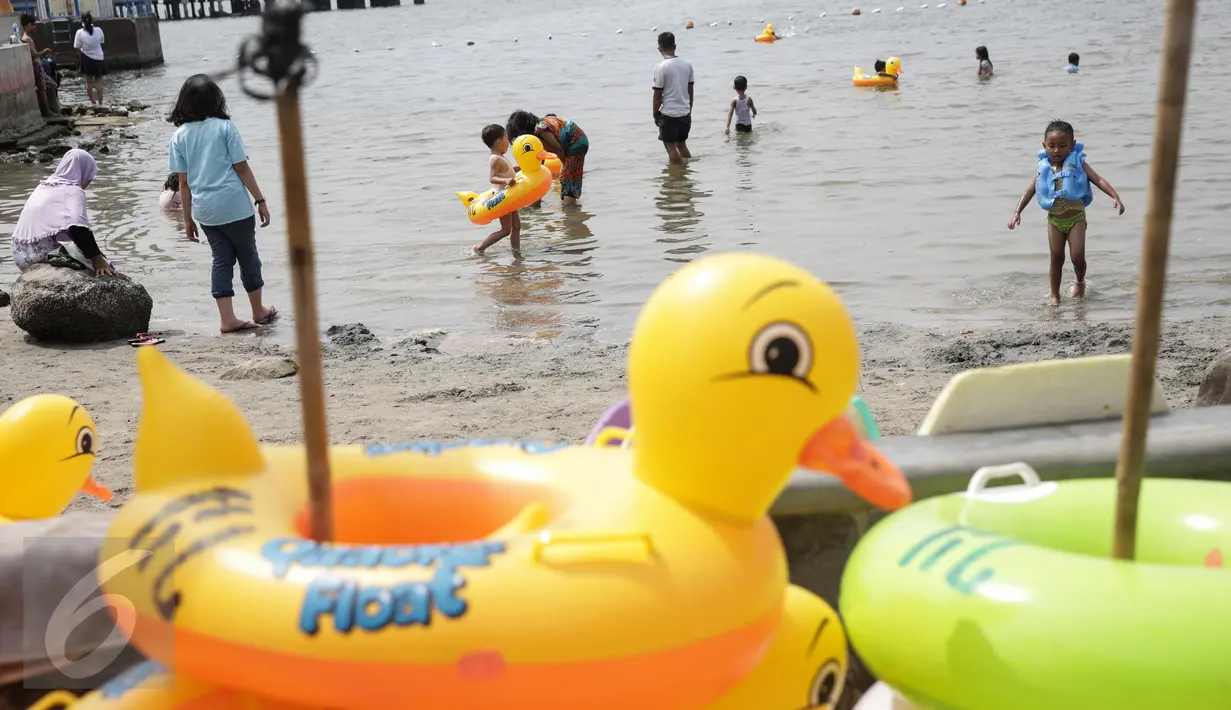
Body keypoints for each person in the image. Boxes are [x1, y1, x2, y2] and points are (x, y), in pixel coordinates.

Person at [168, 74, 277, 334]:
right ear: (216, 100)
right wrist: (260, 199)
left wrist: (187, 219)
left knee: (221, 259)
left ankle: (227, 319)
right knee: (248, 256)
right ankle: (258, 311)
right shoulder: (225, 128)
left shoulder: (179, 136)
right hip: (234, 205)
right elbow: (241, 167)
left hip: (206, 210)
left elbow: (183, 183)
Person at [1007, 120, 1125, 306]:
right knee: (1056, 257)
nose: (1056, 151)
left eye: (1062, 146)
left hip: (1076, 217)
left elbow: (1097, 179)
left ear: (1072, 144)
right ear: (1044, 145)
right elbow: (1030, 190)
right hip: (1055, 220)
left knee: (1077, 257)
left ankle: (1079, 281)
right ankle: (1055, 295)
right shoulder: (1043, 168)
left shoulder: (1078, 163)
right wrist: (1017, 212)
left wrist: (1115, 196)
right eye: (1051, 146)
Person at [11, 149, 115, 278]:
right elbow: (77, 228)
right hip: (36, 255)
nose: (89, 181)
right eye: (90, 176)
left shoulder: (46, 185)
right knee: (107, 266)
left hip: (19, 254)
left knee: (90, 251)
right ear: (84, 172)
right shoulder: (73, 190)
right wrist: (98, 259)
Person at [506, 110, 589, 207]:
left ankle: (570, 210)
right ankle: (570, 206)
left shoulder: (542, 130)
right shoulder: (536, 134)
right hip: (571, 143)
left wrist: (565, 168)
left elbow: (559, 149)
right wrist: (521, 168)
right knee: (567, 177)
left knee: (568, 179)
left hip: (576, 142)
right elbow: (539, 158)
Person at [472, 124, 521, 255]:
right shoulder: (495, 159)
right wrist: (506, 181)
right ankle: (480, 247)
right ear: (499, 142)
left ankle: (516, 252)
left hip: (510, 195)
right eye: (506, 139)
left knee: (516, 226)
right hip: (502, 196)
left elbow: (506, 172)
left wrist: (519, 168)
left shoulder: (501, 157)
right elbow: (492, 178)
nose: (508, 143)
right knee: (506, 230)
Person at [653, 31, 694, 164]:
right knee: (681, 144)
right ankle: (687, 171)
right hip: (685, 112)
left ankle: (676, 177)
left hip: (669, 114)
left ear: (659, 48)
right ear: (675, 46)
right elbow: (690, 91)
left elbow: (658, 94)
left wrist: (655, 114)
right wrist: (689, 109)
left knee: (670, 146)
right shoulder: (687, 65)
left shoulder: (661, 66)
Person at [19, 14, 59, 117]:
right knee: (42, 89)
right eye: (34, 25)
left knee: (51, 85)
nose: (35, 27)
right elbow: (34, 54)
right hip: (36, 67)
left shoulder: (27, 38)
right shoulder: (26, 39)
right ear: (28, 25)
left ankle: (53, 108)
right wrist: (44, 52)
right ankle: (48, 112)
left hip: (38, 65)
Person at [73, 13, 106, 107]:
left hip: (87, 58)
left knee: (89, 81)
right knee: (99, 81)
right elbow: (102, 41)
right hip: (99, 57)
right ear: (92, 20)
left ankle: (92, 102)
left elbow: (76, 46)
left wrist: (85, 49)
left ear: (82, 21)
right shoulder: (99, 30)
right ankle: (100, 103)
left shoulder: (79, 32)